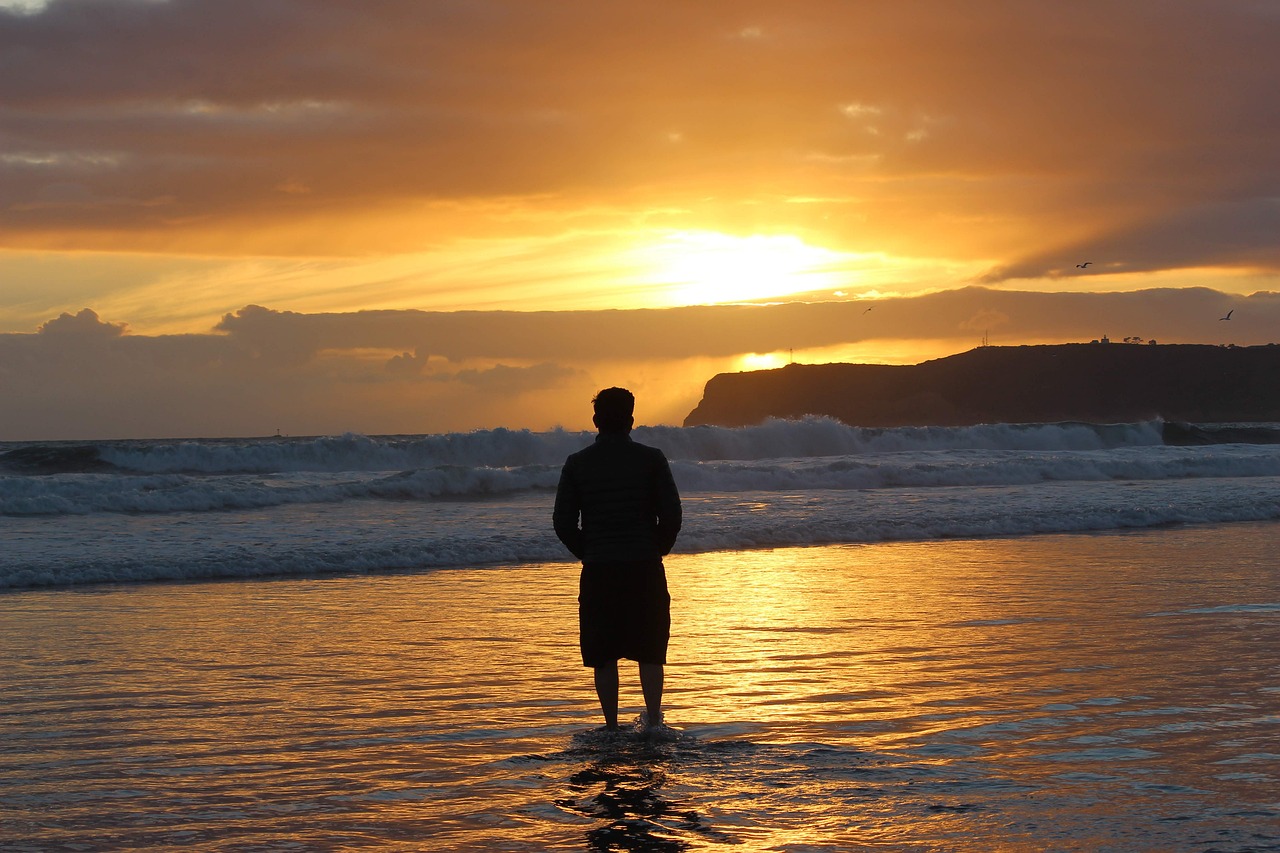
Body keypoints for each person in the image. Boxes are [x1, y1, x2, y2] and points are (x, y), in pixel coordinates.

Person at [553, 387, 682, 731]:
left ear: (596, 420)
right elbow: (672, 515)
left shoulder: (577, 464)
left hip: (600, 569)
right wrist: (657, 549)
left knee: (603, 652)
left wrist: (589, 551)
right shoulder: (652, 459)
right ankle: (653, 721)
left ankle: (611, 726)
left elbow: (563, 523)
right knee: (651, 648)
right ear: (631, 420)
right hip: (644, 566)